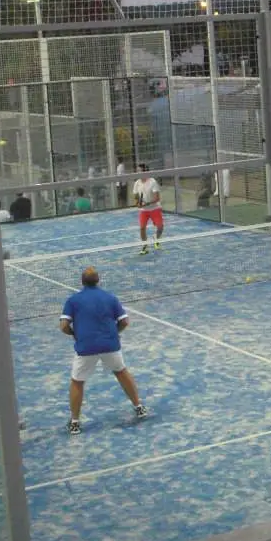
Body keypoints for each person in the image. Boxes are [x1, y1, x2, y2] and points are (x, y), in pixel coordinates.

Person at [60, 267, 148, 435]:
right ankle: (139, 407)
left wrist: (75, 334)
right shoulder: (110, 298)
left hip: (86, 347)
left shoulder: (73, 300)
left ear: (82, 281)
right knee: (121, 372)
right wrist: (114, 333)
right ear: (98, 280)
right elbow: (125, 322)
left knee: (77, 382)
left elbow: (63, 326)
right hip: (110, 345)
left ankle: (75, 423)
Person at [133, 163, 163, 254]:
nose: (137, 172)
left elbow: (157, 198)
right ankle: (145, 246)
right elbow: (136, 196)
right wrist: (138, 203)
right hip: (144, 210)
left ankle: (156, 238)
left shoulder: (152, 182)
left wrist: (147, 203)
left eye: (139, 171)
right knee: (142, 228)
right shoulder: (137, 183)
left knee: (160, 227)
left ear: (145, 171)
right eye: (137, 171)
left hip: (154, 208)